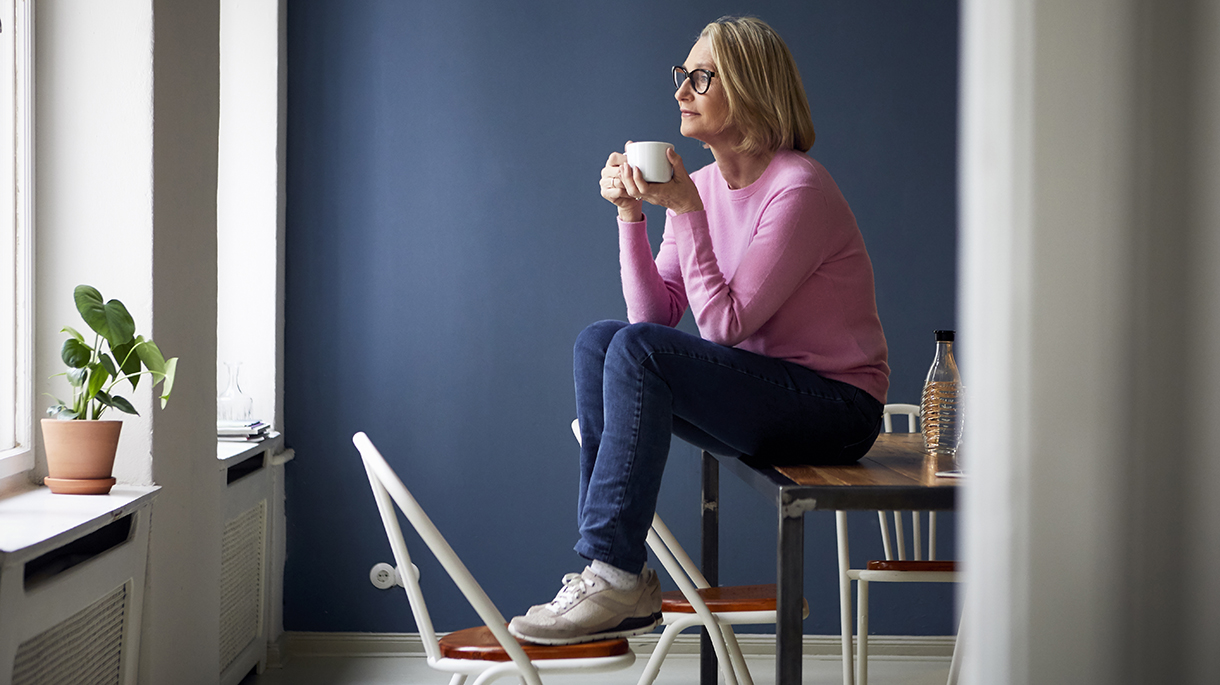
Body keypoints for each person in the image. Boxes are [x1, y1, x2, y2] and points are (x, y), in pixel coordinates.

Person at [508, 15, 889, 646]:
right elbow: (652, 322)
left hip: (837, 408)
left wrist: (685, 210)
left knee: (630, 351)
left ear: (748, 89)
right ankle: (611, 571)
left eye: (700, 77)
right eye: (681, 76)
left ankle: (613, 570)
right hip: (765, 391)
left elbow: (725, 327)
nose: (681, 91)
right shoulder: (706, 185)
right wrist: (632, 215)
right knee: (599, 343)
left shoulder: (797, 190)